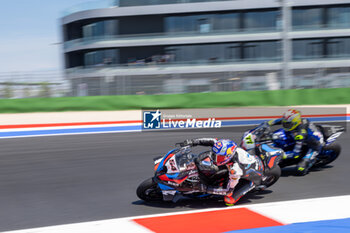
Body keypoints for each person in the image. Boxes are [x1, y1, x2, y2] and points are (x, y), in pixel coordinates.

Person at [179, 138, 264, 206]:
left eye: (219, 157)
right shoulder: (226, 150)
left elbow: (228, 190)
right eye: (215, 155)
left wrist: (204, 188)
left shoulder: (235, 170)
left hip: (253, 177)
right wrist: (192, 142)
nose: (215, 158)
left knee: (228, 200)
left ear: (228, 156)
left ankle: (249, 186)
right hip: (244, 163)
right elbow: (212, 141)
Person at [260, 109, 324, 175]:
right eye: (285, 123)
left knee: (300, 170)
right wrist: (267, 123)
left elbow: (295, 154)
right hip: (304, 139)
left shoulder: (300, 135)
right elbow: (280, 120)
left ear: (295, 123)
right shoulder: (295, 121)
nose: (285, 126)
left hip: (314, 145)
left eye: (287, 124)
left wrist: (282, 155)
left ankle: (311, 161)